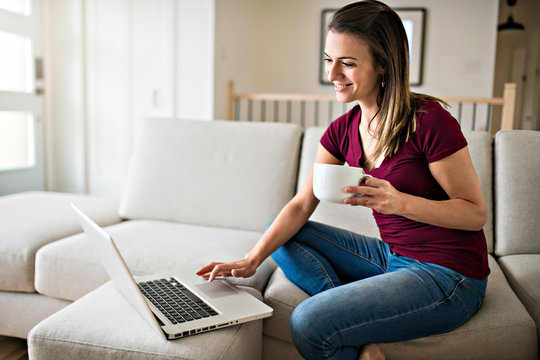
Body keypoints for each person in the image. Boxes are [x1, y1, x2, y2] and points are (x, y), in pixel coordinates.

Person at [197, 1, 490, 359]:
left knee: (308, 323)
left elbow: (474, 213)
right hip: (392, 256)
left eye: (347, 63)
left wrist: (399, 203)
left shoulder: (428, 120)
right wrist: (251, 260)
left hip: (449, 274)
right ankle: (357, 333)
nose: (332, 74)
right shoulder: (343, 130)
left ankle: (339, 321)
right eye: (328, 59)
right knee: (282, 231)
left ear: (383, 64)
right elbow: (302, 204)